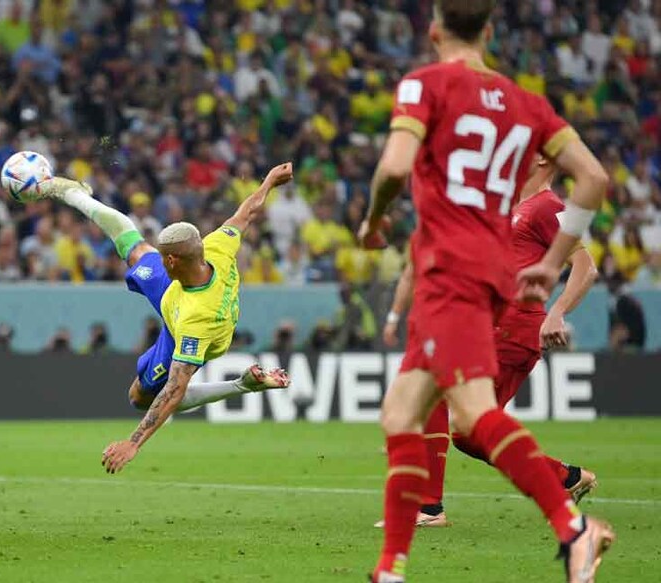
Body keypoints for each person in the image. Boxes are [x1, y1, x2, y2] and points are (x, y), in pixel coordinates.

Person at [355, 2, 614, 581]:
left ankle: (575, 532)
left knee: (471, 418)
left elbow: (395, 169)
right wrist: (550, 264)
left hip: (452, 271)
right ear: (491, 33)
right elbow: (594, 179)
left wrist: (373, 222)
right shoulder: (528, 105)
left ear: (434, 30)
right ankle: (391, 568)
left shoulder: (424, 85)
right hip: (486, 275)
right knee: (401, 412)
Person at [378, 156, 599, 529]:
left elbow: (585, 267)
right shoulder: (512, 208)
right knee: (469, 434)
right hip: (491, 326)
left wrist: (557, 313)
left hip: (515, 328)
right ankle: (563, 477)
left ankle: (429, 507)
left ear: (542, 159)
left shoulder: (550, 207)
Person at [34, 165, 295, 475]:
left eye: (162, 255)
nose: (157, 258)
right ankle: (74, 194)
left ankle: (242, 385)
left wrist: (133, 442)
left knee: (140, 397)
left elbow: (174, 390)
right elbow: (246, 213)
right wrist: (269, 182)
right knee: (132, 245)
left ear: (171, 260)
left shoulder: (196, 323)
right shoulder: (216, 247)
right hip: (178, 291)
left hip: (186, 323)